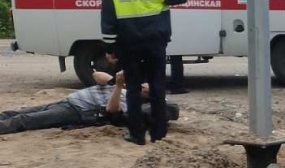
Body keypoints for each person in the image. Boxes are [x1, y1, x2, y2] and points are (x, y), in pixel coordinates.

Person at [100, 0, 187, 145]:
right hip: (155, 44)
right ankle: (159, 134)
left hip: (128, 45)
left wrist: (110, 48)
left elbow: (108, 21)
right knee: (157, 88)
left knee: (132, 89)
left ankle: (137, 135)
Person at [0, 59, 177, 135]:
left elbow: (111, 110)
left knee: (25, 120)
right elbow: (96, 75)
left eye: (149, 89)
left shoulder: (135, 105)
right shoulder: (129, 88)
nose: (146, 86)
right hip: (70, 101)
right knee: (20, 112)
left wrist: (118, 87)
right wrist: (116, 81)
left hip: (76, 110)